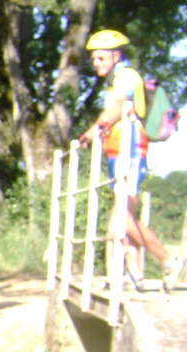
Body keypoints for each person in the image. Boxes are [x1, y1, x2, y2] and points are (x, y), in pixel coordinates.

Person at [77, 29, 184, 290]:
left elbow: (114, 109)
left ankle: (169, 259)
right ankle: (134, 273)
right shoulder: (117, 78)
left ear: (115, 56)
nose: (95, 63)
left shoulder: (127, 76)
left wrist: (91, 133)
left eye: (101, 58)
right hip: (118, 153)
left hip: (131, 152)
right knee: (120, 219)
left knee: (123, 219)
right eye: (93, 59)